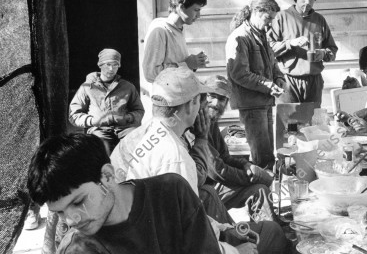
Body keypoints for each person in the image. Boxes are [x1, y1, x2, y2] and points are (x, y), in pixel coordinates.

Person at [110, 67, 290, 254]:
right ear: (190, 105)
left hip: (140, 237)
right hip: (154, 244)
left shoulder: (135, 137)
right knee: (273, 233)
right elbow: (187, 235)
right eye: (202, 99)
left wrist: (223, 228)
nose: (207, 104)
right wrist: (233, 251)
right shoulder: (175, 157)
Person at [27, 133, 227, 254]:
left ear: (107, 175)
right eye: (60, 212)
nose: (72, 220)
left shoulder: (172, 192)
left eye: (78, 202)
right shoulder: (79, 248)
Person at [200, 75, 275, 215]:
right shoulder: (198, 122)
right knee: (259, 188)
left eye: (222, 99)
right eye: (212, 96)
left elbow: (225, 157)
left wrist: (246, 165)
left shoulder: (212, 121)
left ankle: (268, 232)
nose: (216, 103)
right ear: (203, 96)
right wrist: (251, 177)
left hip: (212, 184)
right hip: (202, 192)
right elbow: (217, 170)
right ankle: (271, 232)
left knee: (259, 190)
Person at [226, 0, 285, 169]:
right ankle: (261, 191)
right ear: (256, 12)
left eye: (272, 20)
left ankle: (266, 188)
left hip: (263, 103)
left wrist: (279, 78)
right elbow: (239, 74)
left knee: (267, 154)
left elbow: (272, 63)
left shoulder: (262, 35)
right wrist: (268, 86)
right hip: (251, 106)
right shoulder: (240, 37)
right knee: (261, 158)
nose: (270, 24)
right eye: (268, 19)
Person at [268, 0, 337, 107]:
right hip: (288, 80)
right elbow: (269, 49)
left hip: (313, 81)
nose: (308, 2)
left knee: (313, 123)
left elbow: (332, 50)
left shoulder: (319, 20)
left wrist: (323, 54)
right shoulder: (281, 17)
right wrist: (289, 43)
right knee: (289, 123)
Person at [69, 48, 145, 154]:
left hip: (124, 128)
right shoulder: (87, 87)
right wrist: (93, 121)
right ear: (100, 65)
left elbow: (139, 110)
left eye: (115, 65)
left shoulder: (128, 87)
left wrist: (128, 117)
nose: (111, 69)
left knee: (138, 144)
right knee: (103, 148)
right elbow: (74, 115)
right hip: (98, 129)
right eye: (107, 64)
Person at [142, 0, 209, 84]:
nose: (199, 15)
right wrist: (186, 65)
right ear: (181, 7)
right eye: (196, 10)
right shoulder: (159, 31)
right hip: (165, 99)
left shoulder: (179, 29)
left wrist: (194, 63)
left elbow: (177, 65)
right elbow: (150, 74)